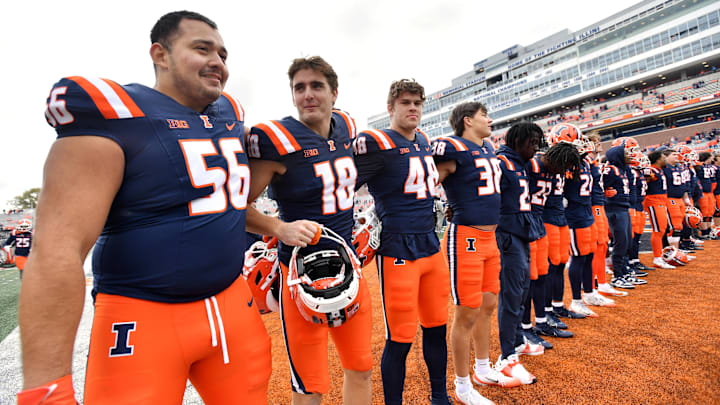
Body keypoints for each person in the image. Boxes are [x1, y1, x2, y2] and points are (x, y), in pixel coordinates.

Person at [18, 11, 292, 404]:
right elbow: (58, 247)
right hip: (144, 317)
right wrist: (46, 390)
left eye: (223, 54)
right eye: (202, 49)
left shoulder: (229, 112)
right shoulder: (118, 112)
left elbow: (232, 202)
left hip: (232, 306)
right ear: (160, 55)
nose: (218, 62)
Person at [246, 56, 373, 405]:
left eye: (316, 86)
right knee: (309, 383)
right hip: (299, 276)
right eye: (299, 87)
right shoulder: (279, 140)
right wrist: (278, 227)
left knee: (361, 367)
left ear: (334, 92)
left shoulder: (346, 124)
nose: (307, 95)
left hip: (349, 266)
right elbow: (235, 207)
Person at [354, 79, 452, 404]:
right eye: (406, 103)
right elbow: (343, 188)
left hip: (431, 246)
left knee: (437, 327)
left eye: (417, 103)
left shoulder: (424, 139)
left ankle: (440, 396)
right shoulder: (377, 141)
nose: (413, 108)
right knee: (400, 337)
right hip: (398, 249)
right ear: (391, 107)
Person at [432, 102, 517, 405]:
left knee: (488, 303)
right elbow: (428, 183)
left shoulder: (488, 149)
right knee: (466, 311)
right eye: (484, 115)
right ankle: (462, 385)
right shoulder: (453, 148)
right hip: (465, 237)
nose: (490, 119)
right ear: (467, 121)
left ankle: (482, 368)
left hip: (490, 237)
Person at [642, 149, 676, 269]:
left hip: (661, 201)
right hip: (653, 201)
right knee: (658, 230)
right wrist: (648, 177)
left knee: (662, 229)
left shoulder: (659, 170)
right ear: (657, 159)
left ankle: (660, 256)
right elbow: (645, 178)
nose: (665, 159)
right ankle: (657, 258)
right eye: (663, 157)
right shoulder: (651, 169)